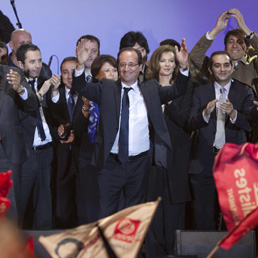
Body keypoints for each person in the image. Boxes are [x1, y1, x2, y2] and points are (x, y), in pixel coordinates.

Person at [72, 37, 189, 220]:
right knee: (107, 215)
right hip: (110, 164)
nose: (127, 69)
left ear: (141, 67)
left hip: (140, 164)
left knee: (134, 217)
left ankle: (130, 249)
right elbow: (80, 86)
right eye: (122, 65)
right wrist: (79, 65)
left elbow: (178, 90)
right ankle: (108, 249)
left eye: (132, 64)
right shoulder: (106, 87)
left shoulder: (151, 89)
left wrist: (183, 68)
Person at [188, 51, 254, 230]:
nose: (222, 69)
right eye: (217, 65)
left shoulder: (245, 91)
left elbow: (250, 125)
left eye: (226, 65)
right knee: (203, 216)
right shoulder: (200, 91)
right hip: (203, 161)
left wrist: (233, 113)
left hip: (234, 162)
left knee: (233, 217)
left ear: (232, 67)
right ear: (210, 69)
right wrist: (205, 113)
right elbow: (190, 123)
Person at [145, 45, 192, 256]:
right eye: (163, 60)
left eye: (171, 61)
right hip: (151, 160)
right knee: (152, 212)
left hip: (175, 161)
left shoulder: (185, 89)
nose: (167, 65)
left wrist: (170, 101)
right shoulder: (146, 88)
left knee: (174, 214)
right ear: (156, 63)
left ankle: (173, 253)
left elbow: (186, 122)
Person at [16, 43, 61, 229]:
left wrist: (56, 92)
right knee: (18, 207)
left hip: (46, 152)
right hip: (25, 155)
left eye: (39, 60)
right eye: (32, 61)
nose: (37, 65)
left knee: (44, 207)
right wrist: (39, 95)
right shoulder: (14, 87)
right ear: (20, 64)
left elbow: (60, 116)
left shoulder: (46, 82)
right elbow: (20, 114)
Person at [73, 54, 118, 224]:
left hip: (112, 157)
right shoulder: (88, 92)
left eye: (114, 70)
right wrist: (85, 108)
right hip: (89, 156)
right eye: (107, 70)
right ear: (96, 75)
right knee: (91, 203)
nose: (112, 74)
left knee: (110, 204)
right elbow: (76, 127)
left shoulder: (121, 93)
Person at [0, 64, 37, 223]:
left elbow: (33, 104)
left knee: (10, 204)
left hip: (6, 150)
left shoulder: (13, 73)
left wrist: (20, 89)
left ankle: (10, 245)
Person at [190, 8, 258, 93]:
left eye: (239, 41)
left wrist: (244, 28)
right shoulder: (215, 65)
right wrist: (216, 29)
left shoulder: (254, 64)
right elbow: (195, 56)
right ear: (225, 47)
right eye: (230, 41)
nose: (234, 45)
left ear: (247, 48)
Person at [49, 56, 78, 228]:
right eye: (65, 72)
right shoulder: (53, 95)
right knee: (61, 208)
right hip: (60, 158)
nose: (69, 76)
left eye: (73, 72)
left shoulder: (88, 94)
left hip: (83, 157)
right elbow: (48, 124)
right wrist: (57, 131)